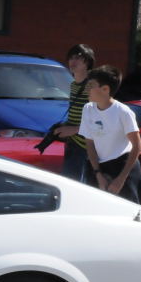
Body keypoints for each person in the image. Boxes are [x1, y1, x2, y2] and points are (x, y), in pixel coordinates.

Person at [79, 65, 141, 205]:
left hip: (123, 168)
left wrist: (120, 179)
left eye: (91, 85)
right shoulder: (88, 109)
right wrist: (98, 174)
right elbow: (90, 143)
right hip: (99, 168)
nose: (87, 89)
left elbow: (137, 146)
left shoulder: (123, 112)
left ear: (105, 89)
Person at [53, 43, 95, 181]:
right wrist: (64, 127)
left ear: (88, 62)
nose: (73, 61)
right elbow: (77, 114)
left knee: (78, 188)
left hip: (87, 148)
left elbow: (101, 120)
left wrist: (74, 129)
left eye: (78, 57)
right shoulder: (73, 85)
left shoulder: (93, 86)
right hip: (73, 144)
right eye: (71, 58)